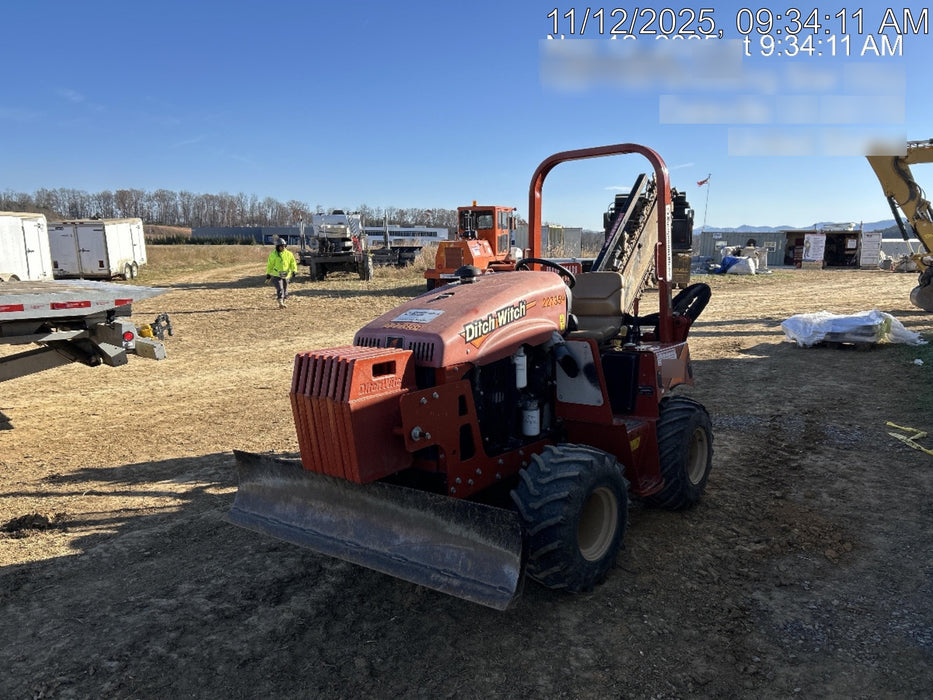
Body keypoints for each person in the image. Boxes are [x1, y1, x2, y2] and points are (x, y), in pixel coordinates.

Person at [266, 239, 297, 308]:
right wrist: (268, 273)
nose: (283, 248)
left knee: (285, 289)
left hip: (286, 274)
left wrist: (294, 270)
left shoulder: (289, 254)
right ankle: (280, 302)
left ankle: (283, 301)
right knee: (280, 288)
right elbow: (270, 265)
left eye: (284, 246)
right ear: (277, 247)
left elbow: (293, 263)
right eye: (281, 246)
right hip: (277, 274)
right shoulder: (273, 255)